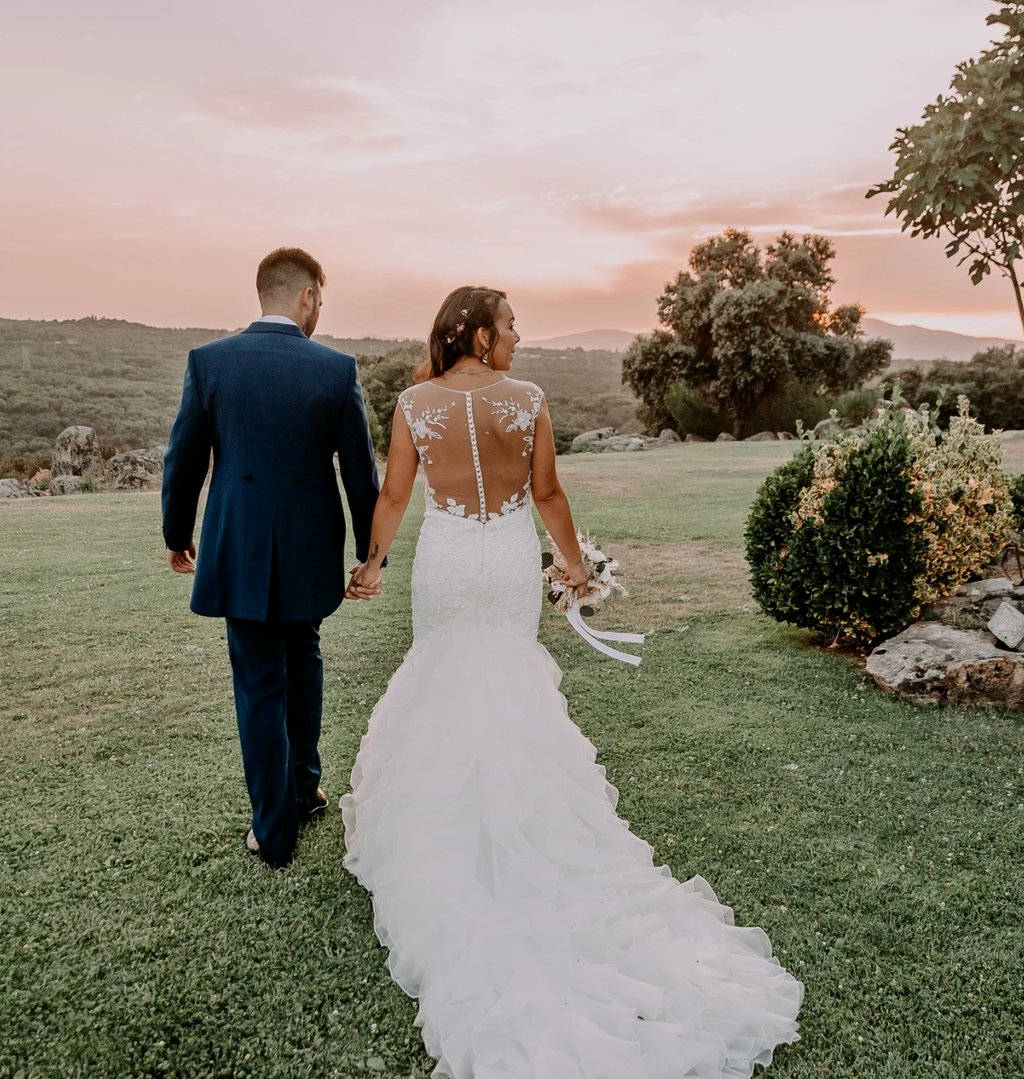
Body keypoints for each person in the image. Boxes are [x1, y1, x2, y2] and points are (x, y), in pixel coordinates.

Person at [338, 286, 803, 1076]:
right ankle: (522, 822)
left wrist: (373, 563)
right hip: (505, 562)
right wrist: (575, 565)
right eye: (510, 323)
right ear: (478, 334)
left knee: (446, 678)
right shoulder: (527, 400)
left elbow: (394, 494)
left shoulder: (415, 403)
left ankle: (446, 839)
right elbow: (547, 493)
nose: (519, 335)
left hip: (447, 564)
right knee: (507, 680)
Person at [160, 246, 381, 868]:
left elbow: (184, 459)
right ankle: (304, 787)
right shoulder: (336, 369)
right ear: (307, 295)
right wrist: (371, 555)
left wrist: (177, 534)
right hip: (311, 549)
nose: (319, 309)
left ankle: (273, 828)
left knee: (260, 680)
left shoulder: (210, 363)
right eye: (320, 299)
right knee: (304, 655)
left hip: (239, 547)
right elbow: (360, 473)